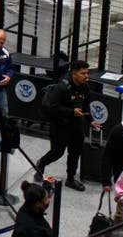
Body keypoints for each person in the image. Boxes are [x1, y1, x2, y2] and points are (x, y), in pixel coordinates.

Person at [34, 60, 96, 191]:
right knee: (57, 153)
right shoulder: (61, 87)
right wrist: (71, 112)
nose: (86, 76)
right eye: (83, 73)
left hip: (76, 126)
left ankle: (71, 179)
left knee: (75, 153)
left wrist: (91, 120)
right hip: (59, 126)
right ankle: (41, 163)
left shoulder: (85, 87)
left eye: (87, 73)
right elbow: (53, 108)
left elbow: (86, 106)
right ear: (74, 73)